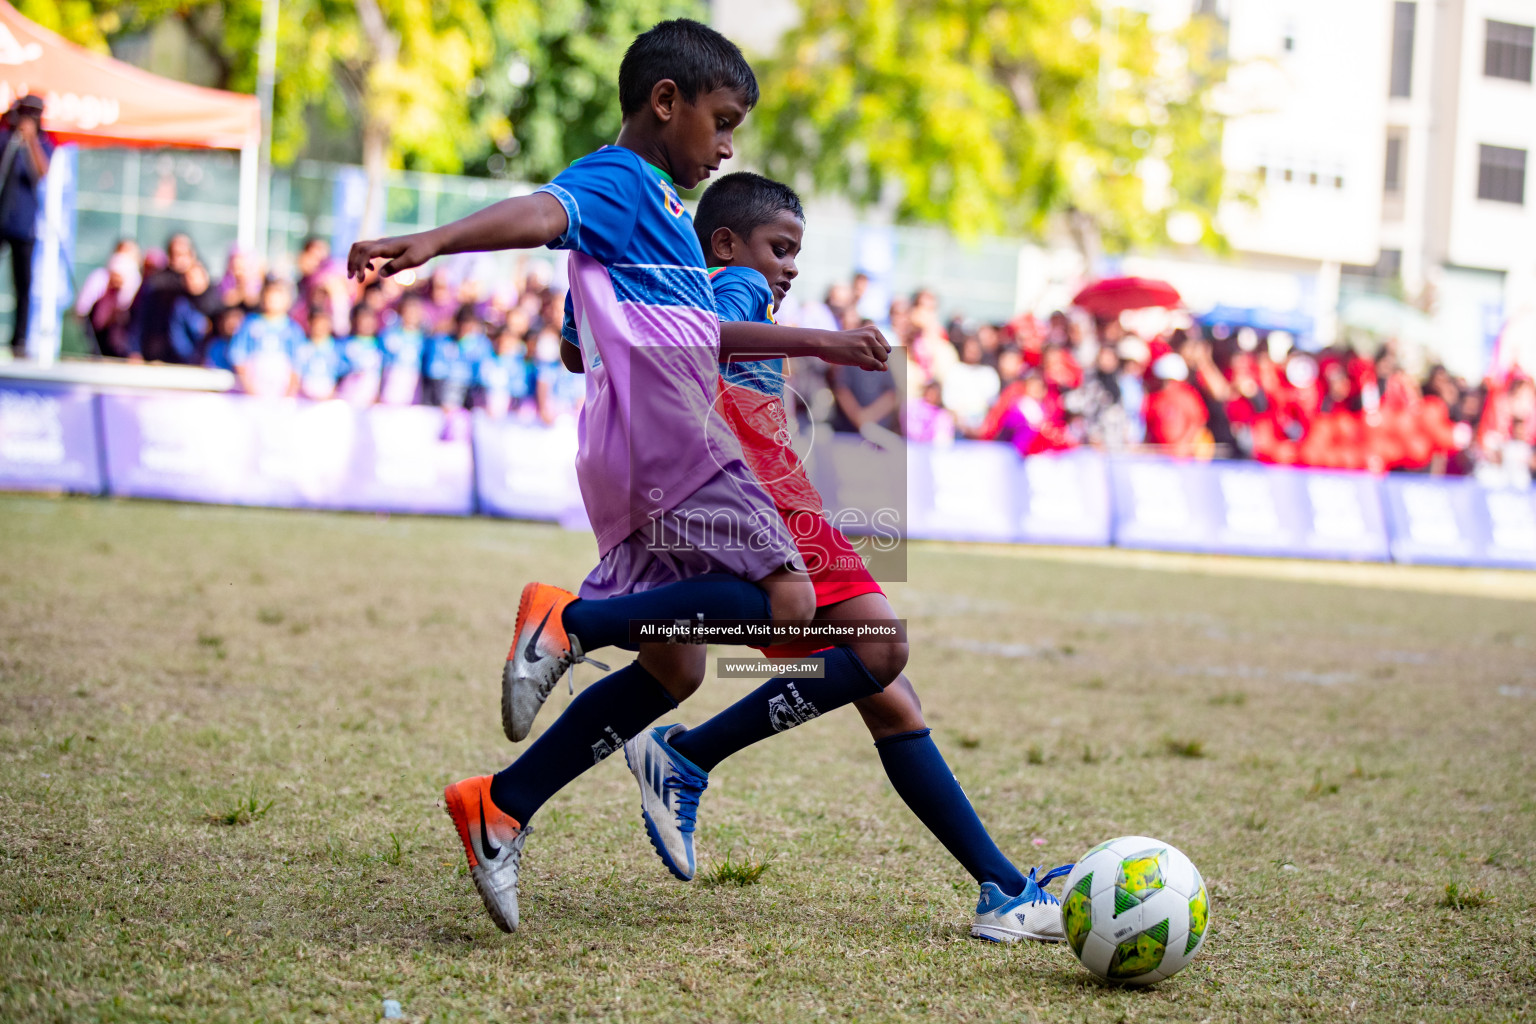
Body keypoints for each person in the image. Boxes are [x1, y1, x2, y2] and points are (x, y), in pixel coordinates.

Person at [347, 19, 886, 934]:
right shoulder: (623, 179)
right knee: (792, 605)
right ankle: (571, 622)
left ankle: (502, 805)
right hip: (678, 442)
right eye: (720, 122)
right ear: (664, 103)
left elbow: (583, 341)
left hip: (625, 451)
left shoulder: (662, 222)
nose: (727, 146)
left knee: (672, 667)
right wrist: (436, 241)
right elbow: (544, 211)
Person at [615, 170, 1069, 943]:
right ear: (727, 243)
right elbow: (713, 334)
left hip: (760, 508)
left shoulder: (727, 284)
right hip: (769, 515)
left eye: (796, 253)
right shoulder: (736, 285)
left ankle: (1001, 889)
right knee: (882, 649)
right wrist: (824, 342)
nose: (790, 267)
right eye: (780, 248)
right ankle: (686, 753)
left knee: (892, 697)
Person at [0, 95, 52, 357]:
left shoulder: (42, 143)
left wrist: (30, 140)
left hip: (24, 224)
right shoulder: (5, 138)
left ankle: (19, 341)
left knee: (24, 284)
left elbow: (43, 173)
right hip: (2, 217)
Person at [229, 278, 304, 397]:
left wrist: (288, 395)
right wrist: (250, 389)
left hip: (281, 392)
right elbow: (239, 356)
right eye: (270, 296)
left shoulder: (293, 330)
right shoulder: (250, 324)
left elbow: (297, 364)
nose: (273, 300)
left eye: (278, 297)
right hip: (253, 391)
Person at [378, 293, 427, 405]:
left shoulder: (424, 336)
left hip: (414, 379)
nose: (412, 314)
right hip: (393, 378)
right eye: (409, 310)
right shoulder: (391, 335)